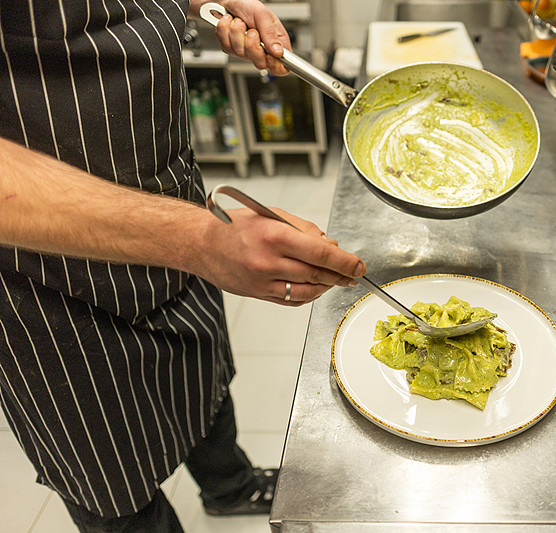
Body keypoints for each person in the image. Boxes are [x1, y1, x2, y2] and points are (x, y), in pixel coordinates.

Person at [0, 1, 365, 531]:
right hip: (43, 267)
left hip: (168, 183)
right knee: (107, 468)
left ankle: (229, 488)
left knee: (202, 380)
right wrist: (196, 239)